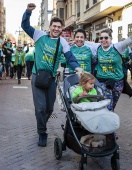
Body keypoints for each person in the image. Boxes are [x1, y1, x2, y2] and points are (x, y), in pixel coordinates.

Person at [21, 3, 81, 147]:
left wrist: (78, 68)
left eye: (59, 27)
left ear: (61, 29)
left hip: (51, 79)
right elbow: (25, 25)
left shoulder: (63, 43)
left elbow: (70, 57)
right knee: (40, 108)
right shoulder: (39, 35)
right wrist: (28, 12)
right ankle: (42, 132)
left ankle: (41, 122)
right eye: (54, 26)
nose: (56, 29)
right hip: (37, 76)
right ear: (50, 27)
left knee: (49, 109)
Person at [85, 20, 132, 111]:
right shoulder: (97, 47)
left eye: (106, 38)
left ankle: (109, 119)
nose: (103, 40)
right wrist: (74, 42)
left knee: (113, 104)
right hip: (103, 81)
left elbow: (131, 39)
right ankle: (108, 122)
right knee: (107, 105)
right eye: (101, 38)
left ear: (111, 39)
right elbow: (83, 42)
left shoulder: (117, 47)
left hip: (117, 82)